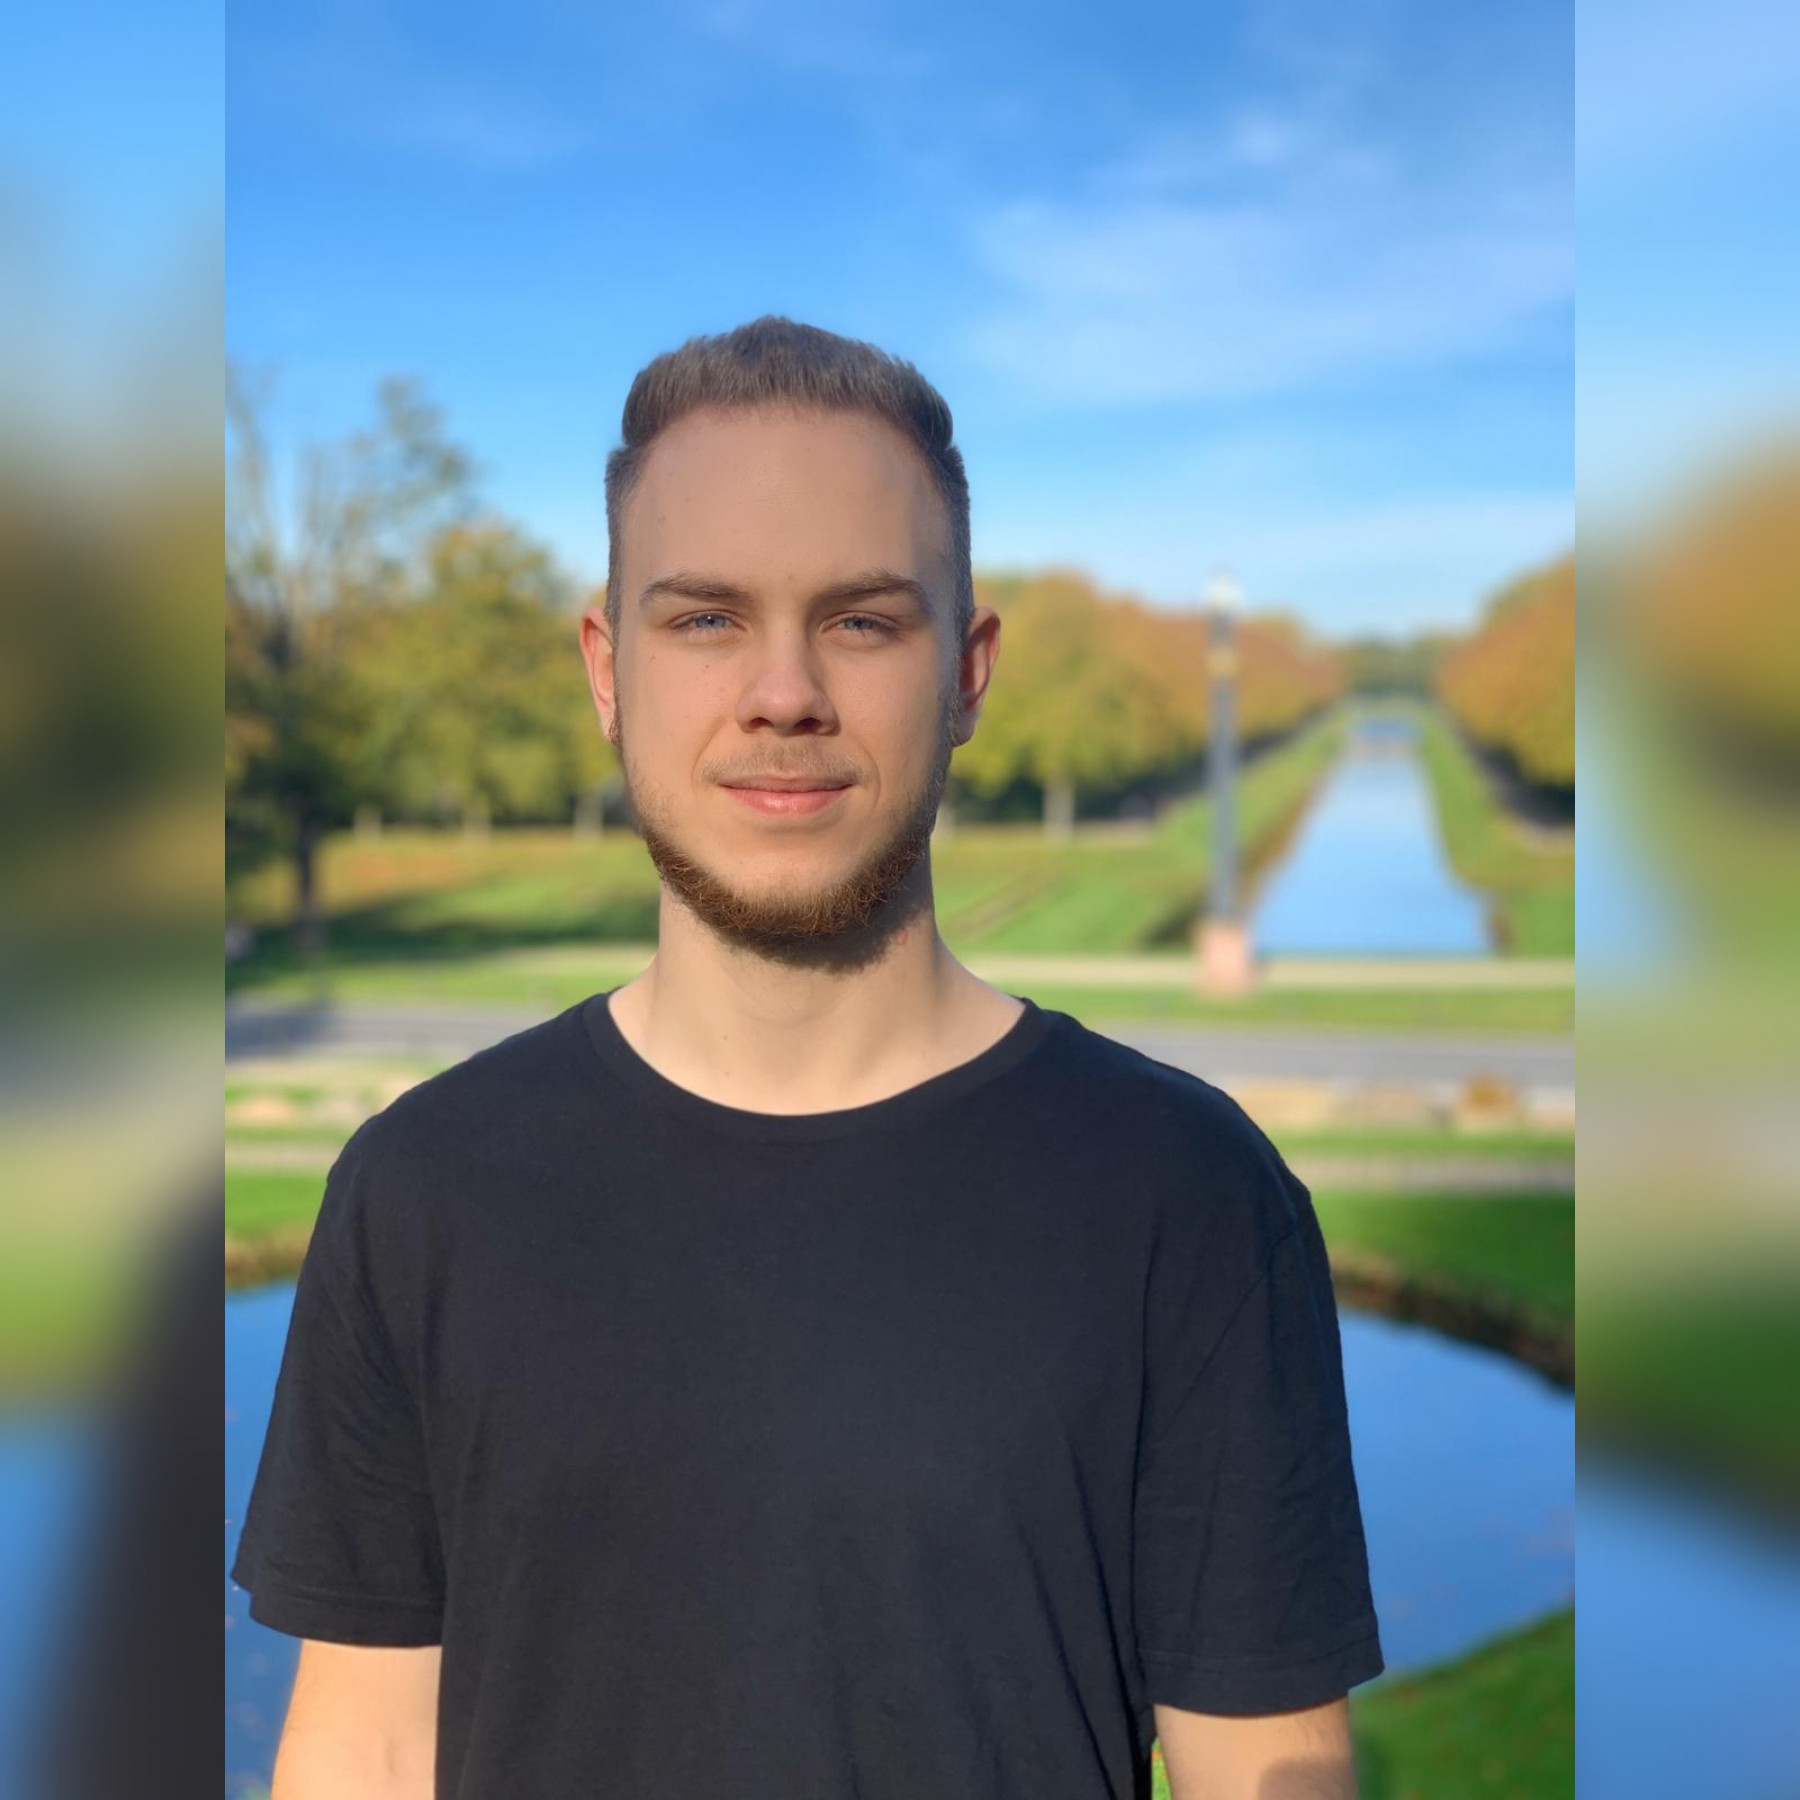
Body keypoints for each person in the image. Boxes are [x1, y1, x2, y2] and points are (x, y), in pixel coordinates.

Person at [230, 315, 1384, 1799]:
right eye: (706, 619)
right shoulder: (421, 1191)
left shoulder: (1189, 1196)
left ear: (967, 673)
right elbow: (370, 1747)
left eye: (862, 621)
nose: (784, 693)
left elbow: (1268, 1768)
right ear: (607, 670)